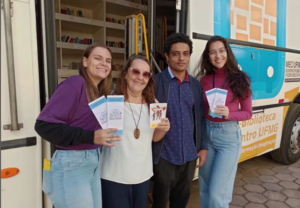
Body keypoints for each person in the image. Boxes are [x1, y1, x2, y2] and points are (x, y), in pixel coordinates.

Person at [35, 43, 120, 208]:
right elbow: (43, 125)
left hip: (92, 161)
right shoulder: (75, 83)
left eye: (108, 60)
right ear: (85, 61)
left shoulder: (98, 91)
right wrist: (92, 136)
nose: (104, 63)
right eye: (98, 58)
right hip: (71, 164)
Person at [100, 54, 170, 208]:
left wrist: (163, 129)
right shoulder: (112, 102)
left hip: (142, 175)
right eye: (135, 72)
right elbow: (100, 137)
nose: (140, 77)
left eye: (146, 74)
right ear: (125, 74)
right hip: (114, 175)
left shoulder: (154, 104)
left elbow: (154, 138)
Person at [194, 35, 252, 208]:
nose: (217, 56)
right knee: (204, 189)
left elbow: (248, 113)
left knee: (217, 194)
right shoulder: (204, 80)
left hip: (228, 138)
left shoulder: (241, 79)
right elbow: (202, 113)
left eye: (221, 51)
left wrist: (230, 114)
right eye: (212, 52)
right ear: (208, 56)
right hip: (207, 136)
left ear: (227, 52)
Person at [152, 33, 208, 208]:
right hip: (164, 156)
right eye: (175, 53)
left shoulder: (195, 85)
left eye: (185, 53)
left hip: (189, 156)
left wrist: (203, 146)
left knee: (181, 202)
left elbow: (200, 117)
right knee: (159, 203)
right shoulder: (155, 82)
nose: (181, 58)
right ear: (167, 57)